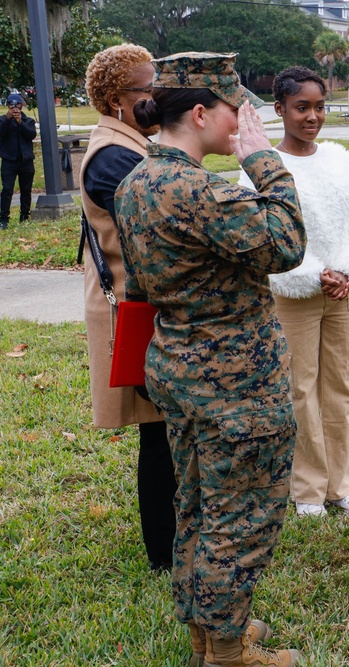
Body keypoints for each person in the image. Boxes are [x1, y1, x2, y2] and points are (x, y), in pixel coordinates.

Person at [115, 52, 306, 667]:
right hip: (235, 381)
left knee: (197, 509)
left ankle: (206, 636)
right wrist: (263, 159)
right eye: (235, 110)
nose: (242, 121)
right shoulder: (198, 190)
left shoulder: (136, 182)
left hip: (178, 368)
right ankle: (227, 653)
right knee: (240, 519)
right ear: (199, 112)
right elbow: (286, 243)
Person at [238, 66, 349, 519]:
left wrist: (347, 269)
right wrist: (312, 272)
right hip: (292, 293)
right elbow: (261, 233)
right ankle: (307, 489)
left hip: (343, 290)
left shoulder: (342, 160)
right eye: (301, 108)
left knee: (341, 386)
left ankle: (342, 486)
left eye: (319, 107)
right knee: (299, 390)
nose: (312, 116)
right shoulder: (261, 167)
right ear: (280, 109)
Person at [79, 43, 177, 573]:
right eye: (148, 89)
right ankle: (165, 553)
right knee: (159, 434)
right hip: (132, 311)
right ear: (118, 100)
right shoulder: (112, 156)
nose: (157, 97)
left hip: (144, 304)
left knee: (164, 430)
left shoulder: (131, 144)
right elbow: (163, 218)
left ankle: (173, 540)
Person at [0, 92, 35, 229]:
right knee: (7, 189)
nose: (15, 108)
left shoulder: (28, 121)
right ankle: (3, 218)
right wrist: (8, 119)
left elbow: (31, 135)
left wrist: (20, 123)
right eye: (11, 105)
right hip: (9, 161)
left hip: (26, 161)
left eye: (17, 104)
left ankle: (24, 215)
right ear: (7, 106)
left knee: (26, 189)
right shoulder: (3, 120)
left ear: (21, 106)